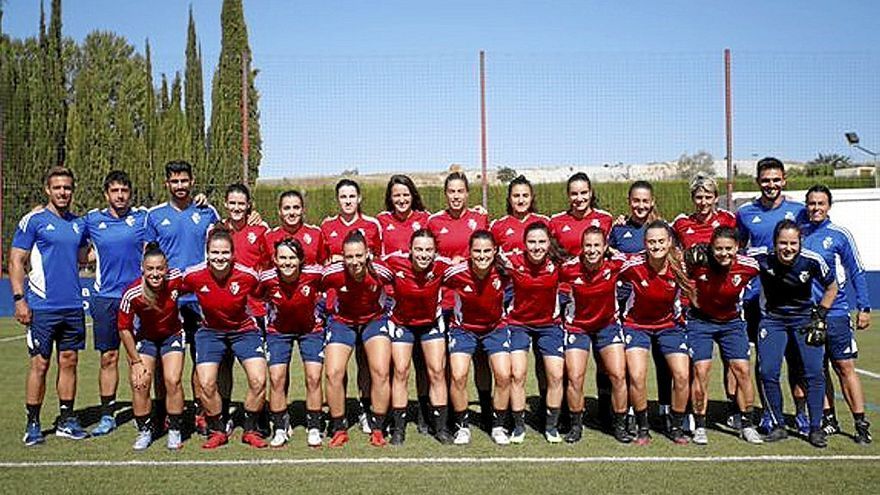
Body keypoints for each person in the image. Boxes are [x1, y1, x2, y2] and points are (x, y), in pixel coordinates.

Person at [11, 166, 90, 445]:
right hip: (42, 307)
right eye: (57, 187)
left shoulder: (79, 224)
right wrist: (20, 300)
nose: (63, 192)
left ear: (73, 190)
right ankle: (33, 422)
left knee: (69, 362)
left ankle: (66, 419)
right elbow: (16, 260)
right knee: (40, 365)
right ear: (48, 189)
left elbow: (85, 255)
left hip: (72, 305)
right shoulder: (33, 221)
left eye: (67, 187)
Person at [144, 160, 221, 434]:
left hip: (200, 299)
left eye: (184, 181)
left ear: (192, 181)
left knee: (201, 357)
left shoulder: (207, 211)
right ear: (167, 183)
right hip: (166, 300)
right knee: (164, 359)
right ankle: (164, 411)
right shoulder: (154, 216)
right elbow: (148, 257)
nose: (180, 186)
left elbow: (223, 243)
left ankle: (201, 410)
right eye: (174, 181)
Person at [735, 157, 809, 434]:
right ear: (758, 182)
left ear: (784, 180)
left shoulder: (799, 211)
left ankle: (801, 413)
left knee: (797, 360)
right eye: (766, 180)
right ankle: (768, 413)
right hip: (758, 298)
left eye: (776, 179)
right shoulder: (745, 212)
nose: (771, 185)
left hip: (795, 299)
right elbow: (738, 249)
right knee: (766, 361)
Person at [751, 220, 838, 448]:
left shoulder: (811, 260)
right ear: (774, 243)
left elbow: (832, 286)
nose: (788, 248)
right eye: (782, 243)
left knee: (814, 373)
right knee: (767, 371)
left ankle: (816, 428)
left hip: (804, 320)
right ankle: (778, 425)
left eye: (793, 243)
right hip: (773, 320)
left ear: (800, 242)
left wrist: (820, 314)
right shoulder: (761, 257)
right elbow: (732, 258)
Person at [181, 228, 268, 449]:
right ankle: (218, 429)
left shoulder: (247, 275)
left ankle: (250, 429)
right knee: (207, 383)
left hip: (244, 330)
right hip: (210, 332)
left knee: (259, 380)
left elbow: (265, 290)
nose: (220, 257)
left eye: (225, 253)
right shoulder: (193, 275)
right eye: (215, 252)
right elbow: (171, 288)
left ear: (233, 254)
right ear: (207, 253)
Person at [802, 185, 872, 444]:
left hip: (837, 313)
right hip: (807, 315)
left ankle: (860, 422)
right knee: (817, 371)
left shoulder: (840, 235)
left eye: (821, 203)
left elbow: (856, 271)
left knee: (844, 366)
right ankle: (828, 419)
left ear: (829, 206)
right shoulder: (798, 233)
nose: (816, 208)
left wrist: (863, 307)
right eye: (811, 203)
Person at [81, 170, 148, 436]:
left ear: (130, 193)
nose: (120, 196)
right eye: (115, 191)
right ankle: (107, 415)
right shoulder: (92, 220)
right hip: (106, 298)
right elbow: (69, 231)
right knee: (109, 357)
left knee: (141, 358)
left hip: (139, 298)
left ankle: (142, 411)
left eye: (124, 191)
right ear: (106, 194)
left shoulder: (143, 217)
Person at [673, 174, 740, 430]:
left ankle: (734, 408)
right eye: (698, 197)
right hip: (694, 302)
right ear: (692, 198)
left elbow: (738, 253)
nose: (703, 202)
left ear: (715, 197)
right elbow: (671, 252)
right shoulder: (680, 223)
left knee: (731, 361)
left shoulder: (728, 220)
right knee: (696, 363)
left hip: (724, 300)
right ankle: (693, 410)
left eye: (708, 197)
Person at [686, 227, 763, 445]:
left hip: (732, 323)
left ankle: (747, 423)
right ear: (711, 247)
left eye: (728, 249)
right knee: (701, 370)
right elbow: (678, 271)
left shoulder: (749, 266)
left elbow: (772, 264)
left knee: (742, 370)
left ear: (737, 248)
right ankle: (700, 425)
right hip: (701, 322)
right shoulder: (699, 262)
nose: (723, 253)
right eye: (718, 248)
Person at [620, 220, 693, 445]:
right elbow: (609, 268)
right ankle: (643, 428)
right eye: (651, 241)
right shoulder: (632, 265)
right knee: (637, 375)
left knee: (682, 375)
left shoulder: (679, 266)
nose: (656, 246)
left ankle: (677, 425)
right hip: (636, 325)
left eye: (661, 241)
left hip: (669, 326)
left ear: (670, 242)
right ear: (644, 243)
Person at [428, 172, 493, 427]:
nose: (456, 196)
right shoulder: (434, 221)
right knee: (447, 362)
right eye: (451, 192)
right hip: (444, 302)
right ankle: (448, 414)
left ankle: (487, 409)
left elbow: (487, 252)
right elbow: (428, 256)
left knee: (480, 359)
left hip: (474, 300)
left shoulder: (480, 218)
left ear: (467, 193)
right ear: (446, 194)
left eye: (460, 191)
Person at [379, 230, 454, 445]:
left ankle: (440, 428)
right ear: (410, 250)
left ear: (435, 252)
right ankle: (398, 429)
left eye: (428, 250)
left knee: (437, 371)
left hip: (431, 324)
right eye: (419, 249)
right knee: (401, 371)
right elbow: (372, 267)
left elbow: (466, 268)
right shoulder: (394, 262)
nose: (423, 254)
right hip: (402, 323)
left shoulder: (442, 266)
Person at [320, 179, 382, 434]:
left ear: (359, 199)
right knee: (337, 368)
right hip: (340, 309)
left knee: (368, 365)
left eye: (351, 196)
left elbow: (378, 263)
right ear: (338, 200)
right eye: (343, 196)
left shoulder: (372, 225)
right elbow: (323, 265)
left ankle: (366, 410)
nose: (347, 201)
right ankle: (339, 416)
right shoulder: (327, 226)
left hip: (369, 309)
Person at [322, 231, 395, 448]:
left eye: (358, 256)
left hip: (374, 320)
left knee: (381, 371)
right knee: (333, 372)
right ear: (342, 257)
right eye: (349, 257)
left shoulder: (381, 271)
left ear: (368, 254)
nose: (354, 262)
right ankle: (339, 427)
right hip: (342, 321)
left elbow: (399, 284)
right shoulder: (332, 273)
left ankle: (379, 427)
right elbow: (313, 285)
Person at [559, 226, 630, 443]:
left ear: (605, 247)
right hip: (577, 327)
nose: (592, 250)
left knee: (618, 375)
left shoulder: (615, 265)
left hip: (608, 326)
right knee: (575, 377)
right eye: (588, 245)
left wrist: (617, 254)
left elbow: (637, 260)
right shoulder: (569, 268)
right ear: (582, 247)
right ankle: (575, 425)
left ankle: (619, 425)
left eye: (597, 245)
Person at [607, 181, 668, 432]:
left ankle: (665, 409)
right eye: (636, 200)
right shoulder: (619, 230)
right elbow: (609, 255)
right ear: (629, 201)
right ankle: (631, 409)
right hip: (626, 305)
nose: (640, 205)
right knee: (631, 364)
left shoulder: (663, 229)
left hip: (659, 305)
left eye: (645, 201)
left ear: (652, 201)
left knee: (663, 360)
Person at [443, 230, 513, 446]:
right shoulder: (456, 272)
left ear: (494, 251)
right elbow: (434, 278)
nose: (482, 256)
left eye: (486, 251)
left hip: (495, 328)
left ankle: (498, 425)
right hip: (463, 329)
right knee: (458, 375)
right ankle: (462, 426)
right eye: (477, 251)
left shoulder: (504, 271)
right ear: (469, 252)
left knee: (503, 375)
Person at [117, 243, 186, 450]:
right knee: (140, 382)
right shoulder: (132, 293)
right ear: (142, 269)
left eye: (159, 268)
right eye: (150, 269)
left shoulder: (176, 279)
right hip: (146, 338)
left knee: (172, 380)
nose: (155, 274)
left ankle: (174, 429)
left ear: (166, 269)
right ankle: (145, 430)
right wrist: (135, 362)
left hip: (172, 335)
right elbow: (124, 329)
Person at [258, 238, 325, 448]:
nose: (287, 262)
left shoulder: (315, 274)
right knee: (277, 378)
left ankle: (314, 426)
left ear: (301, 260)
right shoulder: (266, 279)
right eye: (283, 258)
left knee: (313, 378)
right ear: (275, 260)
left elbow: (333, 281)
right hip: (278, 332)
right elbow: (253, 296)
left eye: (292, 258)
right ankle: (279, 426)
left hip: (311, 331)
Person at [501, 222, 565, 443]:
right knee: (517, 374)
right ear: (524, 244)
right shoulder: (513, 262)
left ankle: (551, 426)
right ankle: (518, 426)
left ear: (549, 243)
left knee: (556, 374)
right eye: (532, 242)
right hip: (518, 324)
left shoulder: (558, 264)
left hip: (550, 325)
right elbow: (487, 255)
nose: (537, 247)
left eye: (541, 242)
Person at [490, 175, 550, 256]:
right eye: (516, 196)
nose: (521, 200)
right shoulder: (497, 226)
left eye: (525, 196)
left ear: (531, 198)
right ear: (509, 199)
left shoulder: (546, 222)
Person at [263, 190, 325, 265]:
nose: (292, 213)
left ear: (302, 210)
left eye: (296, 207)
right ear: (279, 211)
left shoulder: (316, 234)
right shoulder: (268, 237)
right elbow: (265, 268)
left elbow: (323, 265)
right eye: (287, 208)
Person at [377, 174, 431, 256]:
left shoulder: (426, 218)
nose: (402, 200)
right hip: (391, 268)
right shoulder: (381, 220)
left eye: (406, 195)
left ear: (413, 196)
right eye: (397, 195)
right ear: (390, 198)